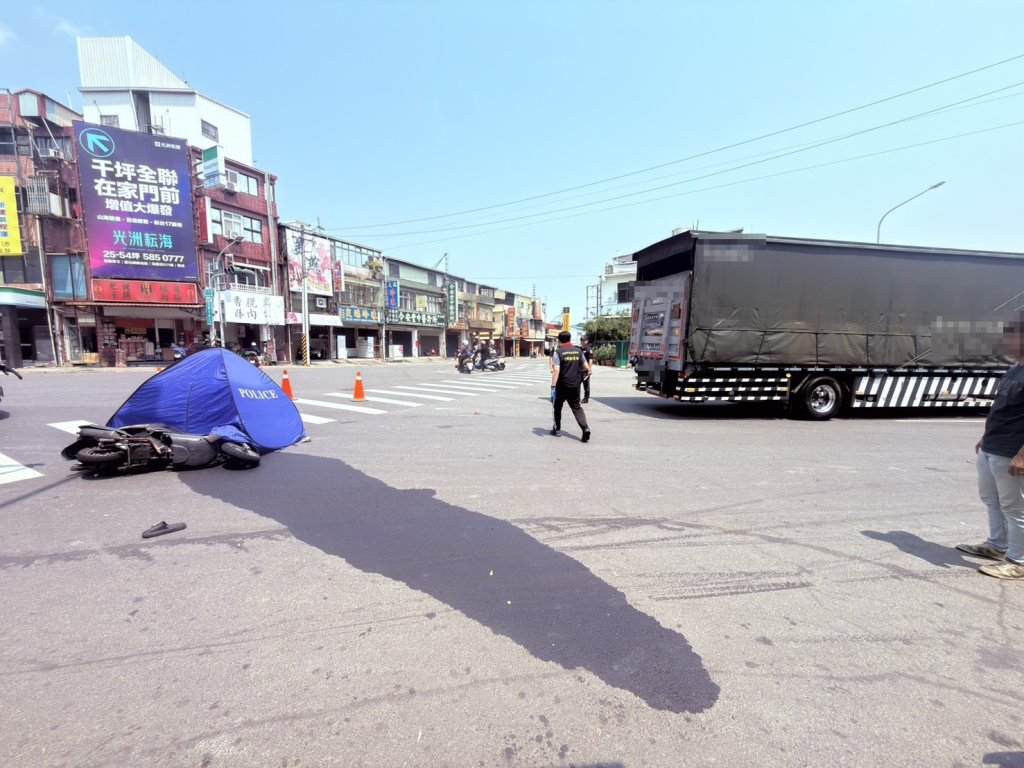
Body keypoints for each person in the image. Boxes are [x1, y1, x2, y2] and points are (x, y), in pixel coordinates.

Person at [956, 320, 1024, 580]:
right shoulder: (1014, 370)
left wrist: (1022, 455)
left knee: (1015, 508)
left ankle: (1019, 561)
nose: (1006, 342)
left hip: (1011, 451)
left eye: (1012, 337)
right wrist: (985, 436)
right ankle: (997, 546)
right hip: (993, 447)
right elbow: (1002, 408)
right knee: (991, 499)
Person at [550, 330, 591, 442]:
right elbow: (586, 367)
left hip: (562, 385)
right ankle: (585, 428)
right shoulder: (578, 351)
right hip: (575, 385)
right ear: (569, 339)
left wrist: (553, 386)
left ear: (559, 340)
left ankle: (557, 429)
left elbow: (556, 370)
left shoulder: (558, 352)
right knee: (576, 407)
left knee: (557, 407)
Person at [580, 337, 594, 403]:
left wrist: (589, 369)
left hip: (586, 370)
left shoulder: (589, 349)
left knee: (586, 384)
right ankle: (576, 397)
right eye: (581, 340)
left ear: (586, 341)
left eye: (583, 340)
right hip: (579, 369)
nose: (582, 341)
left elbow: (590, 360)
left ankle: (586, 398)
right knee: (577, 384)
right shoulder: (580, 349)